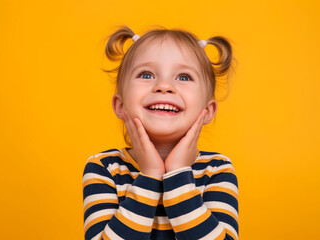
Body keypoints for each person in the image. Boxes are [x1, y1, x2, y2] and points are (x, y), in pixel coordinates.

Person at [82, 25, 238, 240]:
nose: (164, 86)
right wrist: (149, 176)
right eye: (146, 75)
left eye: (183, 77)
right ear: (120, 105)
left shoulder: (216, 170)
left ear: (208, 111)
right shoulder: (104, 168)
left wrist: (178, 174)